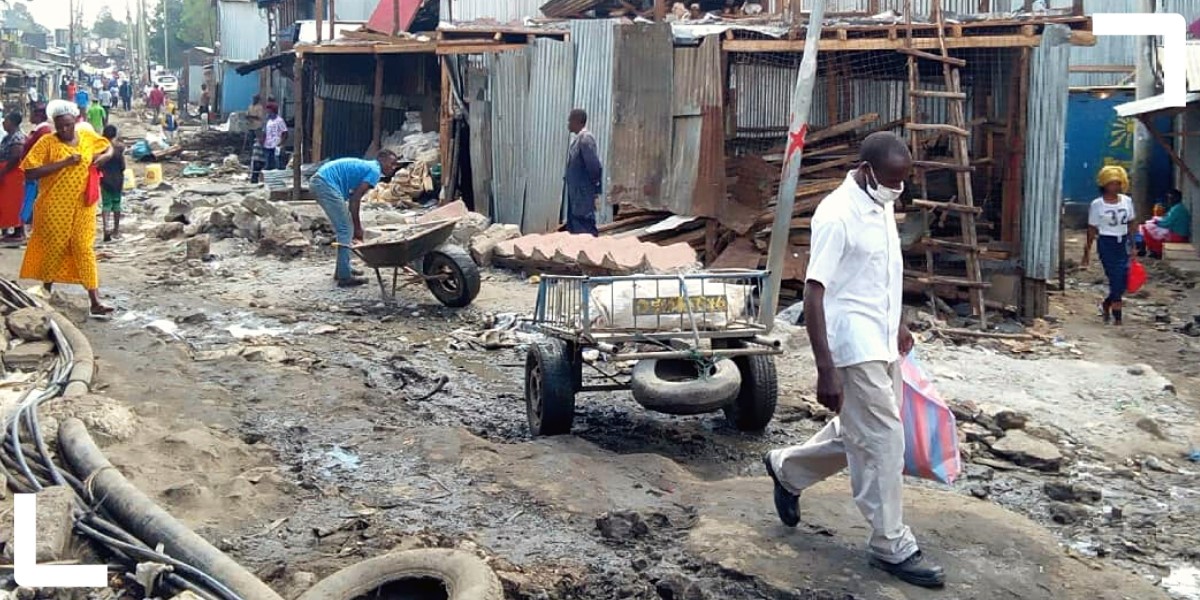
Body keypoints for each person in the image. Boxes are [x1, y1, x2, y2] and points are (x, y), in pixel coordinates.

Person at [763, 132, 945, 590]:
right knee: (883, 438)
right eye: (892, 180)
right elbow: (813, 291)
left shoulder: (881, 204)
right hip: (852, 345)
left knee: (858, 432)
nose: (898, 189)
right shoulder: (836, 214)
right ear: (866, 171)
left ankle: (787, 468)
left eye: (903, 181)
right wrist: (825, 369)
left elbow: (884, 273)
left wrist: (898, 323)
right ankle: (891, 543)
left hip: (883, 340)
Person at [19, 100, 115, 316]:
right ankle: (46, 288)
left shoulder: (87, 137)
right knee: (55, 247)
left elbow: (108, 146)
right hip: (54, 206)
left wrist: (104, 157)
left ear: (75, 121)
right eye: (60, 125)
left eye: (68, 125)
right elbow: (29, 172)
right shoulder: (47, 143)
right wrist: (63, 163)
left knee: (83, 248)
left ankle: (95, 301)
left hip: (84, 205)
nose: (64, 129)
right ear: (54, 124)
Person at [310, 152, 399, 288]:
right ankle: (344, 277)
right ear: (381, 160)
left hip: (321, 181)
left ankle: (342, 270)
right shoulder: (374, 171)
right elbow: (355, 200)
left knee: (345, 229)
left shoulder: (370, 167)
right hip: (324, 184)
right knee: (345, 229)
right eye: (391, 163)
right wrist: (358, 228)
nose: (393, 167)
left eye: (395, 164)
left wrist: (355, 226)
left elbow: (353, 199)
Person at [1082, 166, 1137, 325]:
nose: (1115, 187)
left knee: (1124, 277)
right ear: (1104, 185)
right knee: (1115, 277)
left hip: (1123, 241)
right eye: (1112, 184)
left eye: (1118, 183)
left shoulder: (1126, 201)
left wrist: (1133, 245)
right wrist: (1087, 252)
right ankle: (1117, 314)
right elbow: (1091, 229)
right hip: (1107, 242)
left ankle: (1107, 303)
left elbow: (1131, 222)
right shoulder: (1097, 204)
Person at [564, 108, 603, 236]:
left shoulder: (585, 139)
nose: (568, 123)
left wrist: (593, 189)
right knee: (576, 228)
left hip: (583, 195)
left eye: (570, 120)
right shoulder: (578, 140)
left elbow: (594, 167)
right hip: (577, 195)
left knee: (585, 229)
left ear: (577, 121)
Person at [21, 104, 52, 231]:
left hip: (35, 169)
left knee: (32, 196)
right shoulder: (40, 130)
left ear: (39, 116)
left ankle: (28, 221)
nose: (30, 116)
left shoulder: (43, 130)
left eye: (32, 114)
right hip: (32, 168)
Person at [0, 112, 27, 243]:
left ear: (12, 122)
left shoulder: (17, 138)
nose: (3, 123)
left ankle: (19, 232)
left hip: (12, 173)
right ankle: (11, 230)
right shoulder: (8, 137)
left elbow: (15, 157)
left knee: (14, 202)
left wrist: (3, 171)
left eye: (6, 120)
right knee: (6, 203)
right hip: (7, 171)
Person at [1140, 189, 1190, 259]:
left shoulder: (1177, 209)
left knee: (1146, 228)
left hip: (1178, 235)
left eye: (1170, 198)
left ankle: (1156, 251)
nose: (1169, 200)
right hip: (1177, 232)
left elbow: (1166, 223)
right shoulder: (1178, 207)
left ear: (1176, 198)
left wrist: (1157, 222)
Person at [99, 125, 126, 242]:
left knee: (106, 204)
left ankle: (106, 228)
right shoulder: (119, 148)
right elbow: (123, 166)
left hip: (105, 179)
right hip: (118, 179)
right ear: (115, 134)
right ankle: (116, 231)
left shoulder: (101, 148)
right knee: (116, 204)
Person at [262, 103, 288, 172]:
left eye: (269, 111)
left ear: (273, 112)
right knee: (268, 164)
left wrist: (281, 143)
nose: (268, 113)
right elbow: (265, 132)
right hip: (268, 145)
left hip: (276, 145)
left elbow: (285, 132)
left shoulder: (279, 120)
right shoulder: (268, 121)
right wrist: (263, 141)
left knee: (277, 164)